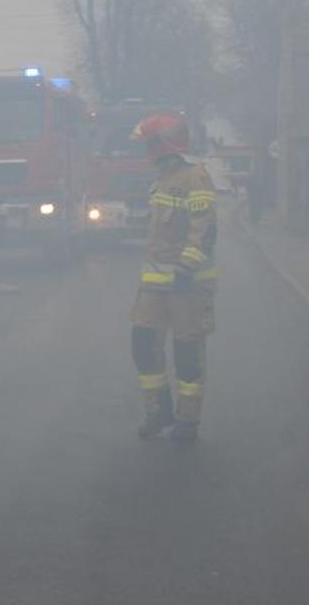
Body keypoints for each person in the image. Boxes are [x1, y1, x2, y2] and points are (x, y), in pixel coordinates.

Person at [129, 112, 218, 444]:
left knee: (187, 355)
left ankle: (187, 421)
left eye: (148, 143)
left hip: (188, 286)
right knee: (142, 345)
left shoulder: (195, 178)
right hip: (155, 284)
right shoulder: (162, 178)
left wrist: (185, 269)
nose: (144, 151)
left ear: (160, 144)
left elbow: (205, 229)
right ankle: (158, 411)